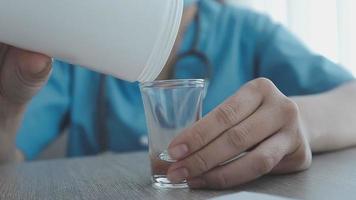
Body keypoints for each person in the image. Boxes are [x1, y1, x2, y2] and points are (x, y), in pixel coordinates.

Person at [0, 0, 355, 189]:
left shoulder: (245, 32)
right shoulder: (72, 49)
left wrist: (300, 123)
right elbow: (8, 161)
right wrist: (8, 108)